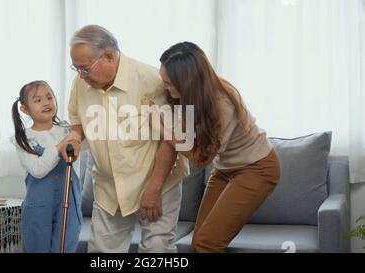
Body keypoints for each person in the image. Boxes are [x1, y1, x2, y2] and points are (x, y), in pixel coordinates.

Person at [64, 25, 189, 253]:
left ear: (109, 57)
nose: (81, 75)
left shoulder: (151, 80)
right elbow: (77, 121)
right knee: (102, 253)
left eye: (84, 68)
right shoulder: (81, 84)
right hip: (109, 186)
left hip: (156, 182)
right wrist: (74, 136)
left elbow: (170, 141)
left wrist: (154, 189)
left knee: (156, 251)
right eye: (76, 68)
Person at [157, 42, 281, 253]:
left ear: (186, 82)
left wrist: (162, 131)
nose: (164, 87)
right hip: (224, 169)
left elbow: (200, 159)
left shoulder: (221, 103)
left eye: (168, 83)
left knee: (208, 243)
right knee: (199, 243)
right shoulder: (191, 97)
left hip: (257, 168)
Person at [11, 80, 83, 253]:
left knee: (65, 245)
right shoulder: (24, 138)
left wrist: (74, 136)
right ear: (25, 109)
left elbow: (85, 144)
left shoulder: (68, 131)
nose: (46, 102)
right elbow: (38, 170)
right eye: (38, 100)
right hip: (38, 204)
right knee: (38, 247)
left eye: (49, 97)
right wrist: (59, 147)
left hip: (70, 200)